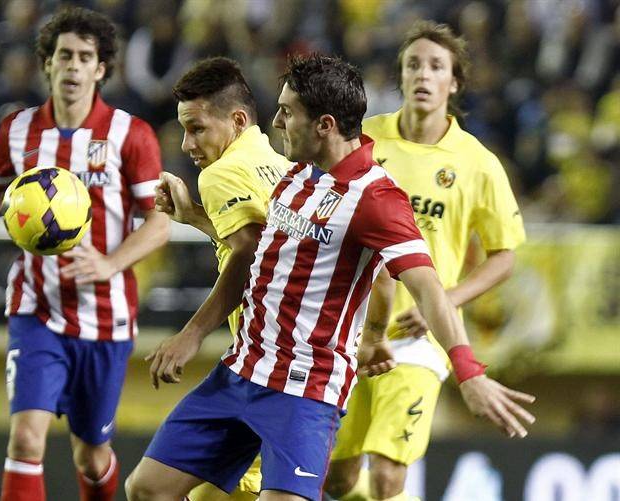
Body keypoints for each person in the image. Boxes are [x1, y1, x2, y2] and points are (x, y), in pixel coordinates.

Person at [125, 53, 535, 501]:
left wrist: (469, 372)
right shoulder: (297, 175)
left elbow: (428, 289)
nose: (276, 122)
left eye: (287, 112)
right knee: (146, 489)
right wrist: (195, 217)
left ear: (324, 125)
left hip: (303, 391)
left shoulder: (376, 199)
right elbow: (262, 254)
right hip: (241, 370)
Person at [0, 6, 170, 501]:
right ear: (47, 63)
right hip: (37, 307)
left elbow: (158, 225)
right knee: (26, 438)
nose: (73, 66)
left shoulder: (130, 135)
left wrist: (109, 263)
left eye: (84, 57)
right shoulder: (18, 130)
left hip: (105, 317)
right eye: (64, 55)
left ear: (101, 69)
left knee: (91, 456)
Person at [323, 22, 531, 501]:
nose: (423, 74)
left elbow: (504, 256)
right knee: (338, 478)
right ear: (400, 75)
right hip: (350, 329)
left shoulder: (477, 162)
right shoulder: (364, 140)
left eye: (436, 66)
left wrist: (448, 298)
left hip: (421, 337)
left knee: (388, 475)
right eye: (413, 64)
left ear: (453, 83)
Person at [151, 56, 294, 501]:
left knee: (155, 488)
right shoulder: (281, 166)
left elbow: (249, 253)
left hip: (267, 371)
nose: (187, 143)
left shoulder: (221, 174)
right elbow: (268, 250)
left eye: (197, 129)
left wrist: (191, 334)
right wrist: (195, 217)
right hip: (292, 366)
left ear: (237, 120)